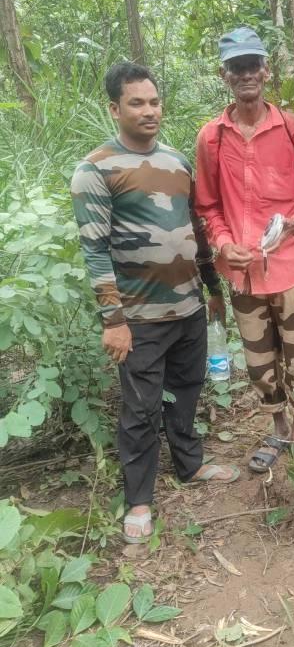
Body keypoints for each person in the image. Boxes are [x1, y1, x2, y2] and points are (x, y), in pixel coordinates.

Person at [71, 62, 238, 545]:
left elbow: (196, 231)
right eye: (137, 103)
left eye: (154, 101)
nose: (149, 111)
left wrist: (212, 289)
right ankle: (139, 500)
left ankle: (190, 464)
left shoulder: (177, 162)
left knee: (187, 390)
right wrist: (113, 320)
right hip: (139, 317)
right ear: (115, 109)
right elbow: (95, 251)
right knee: (141, 409)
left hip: (187, 307)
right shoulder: (96, 169)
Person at [195, 27, 294, 474]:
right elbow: (207, 205)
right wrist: (224, 243)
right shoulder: (212, 137)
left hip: (291, 265)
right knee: (259, 359)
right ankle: (278, 428)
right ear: (224, 74)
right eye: (237, 67)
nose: (246, 74)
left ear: (266, 71)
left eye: (253, 65)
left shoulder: (292, 128)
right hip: (243, 272)